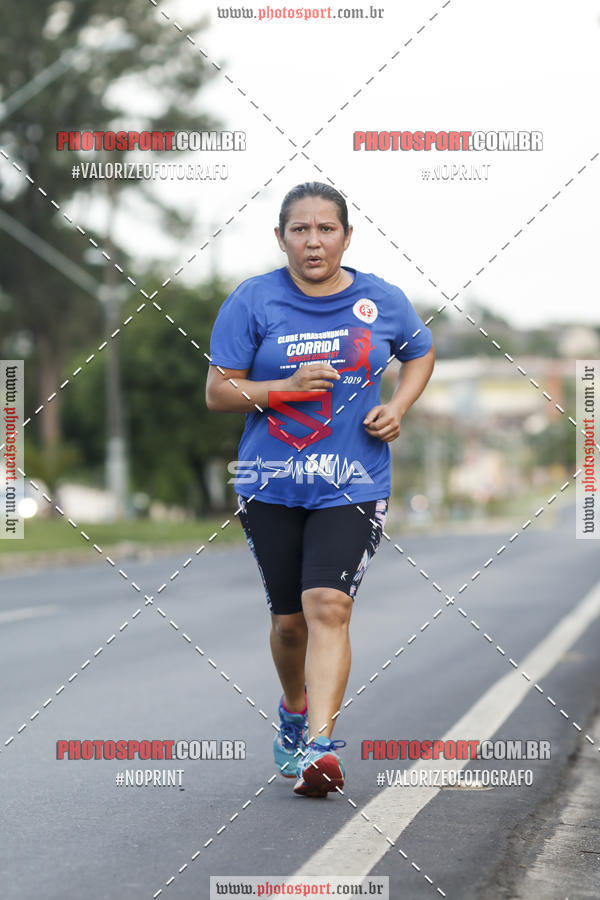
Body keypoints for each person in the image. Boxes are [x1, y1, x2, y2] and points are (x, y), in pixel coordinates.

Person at [206, 182, 435, 798]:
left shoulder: (381, 300)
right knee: (288, 625)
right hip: (270, 480)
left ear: (346, 236)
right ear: (280, 238)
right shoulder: (252, 301)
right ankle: (293, 706)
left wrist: (400, 405)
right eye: (299, 230)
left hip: (353, 481)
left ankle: (320, 746)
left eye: (325, 229)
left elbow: (420, 352)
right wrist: (284, 387)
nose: (313, 241)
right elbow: (219, 392)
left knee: (328, 607)